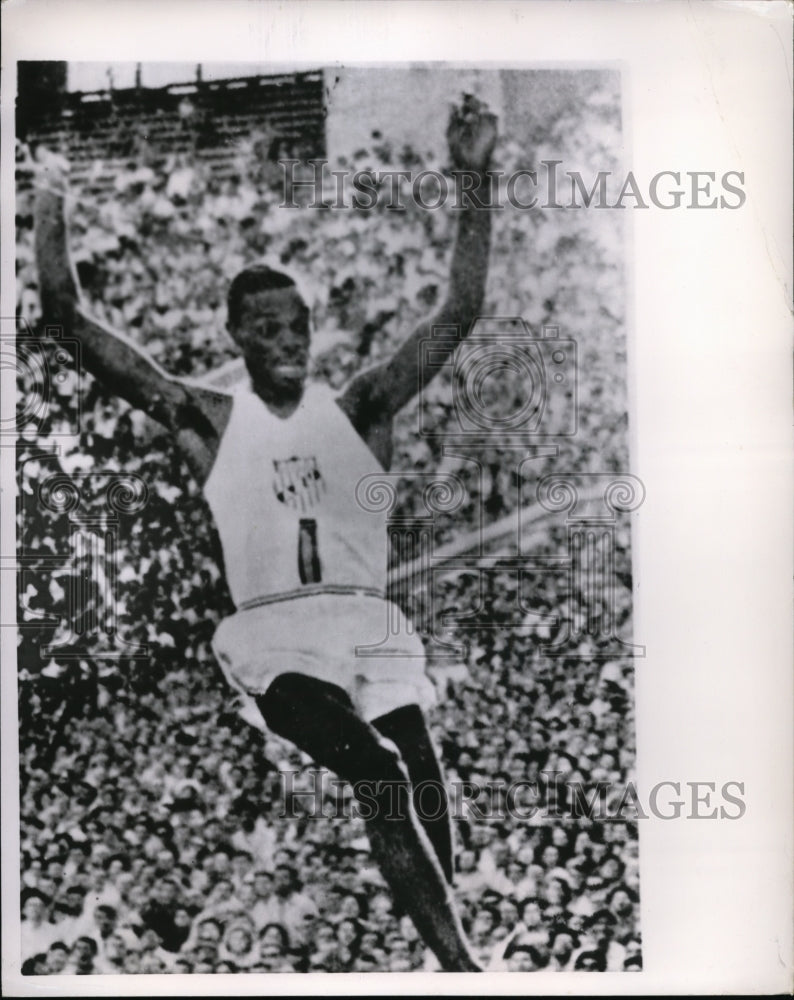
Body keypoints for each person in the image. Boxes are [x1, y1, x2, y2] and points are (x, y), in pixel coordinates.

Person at [33, 95, 497, 972]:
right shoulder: (209, 418)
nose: (291, 340)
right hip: (276, 634)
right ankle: (466, 974)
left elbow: (459, 311)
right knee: (379, 773)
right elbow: (69, 322)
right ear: (238, 335)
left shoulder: (359, 403)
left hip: (367, 622)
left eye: (301, 325)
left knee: (427, 798)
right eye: (270, 328)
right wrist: (50, 201)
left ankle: (449, 933)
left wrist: (473, 176)